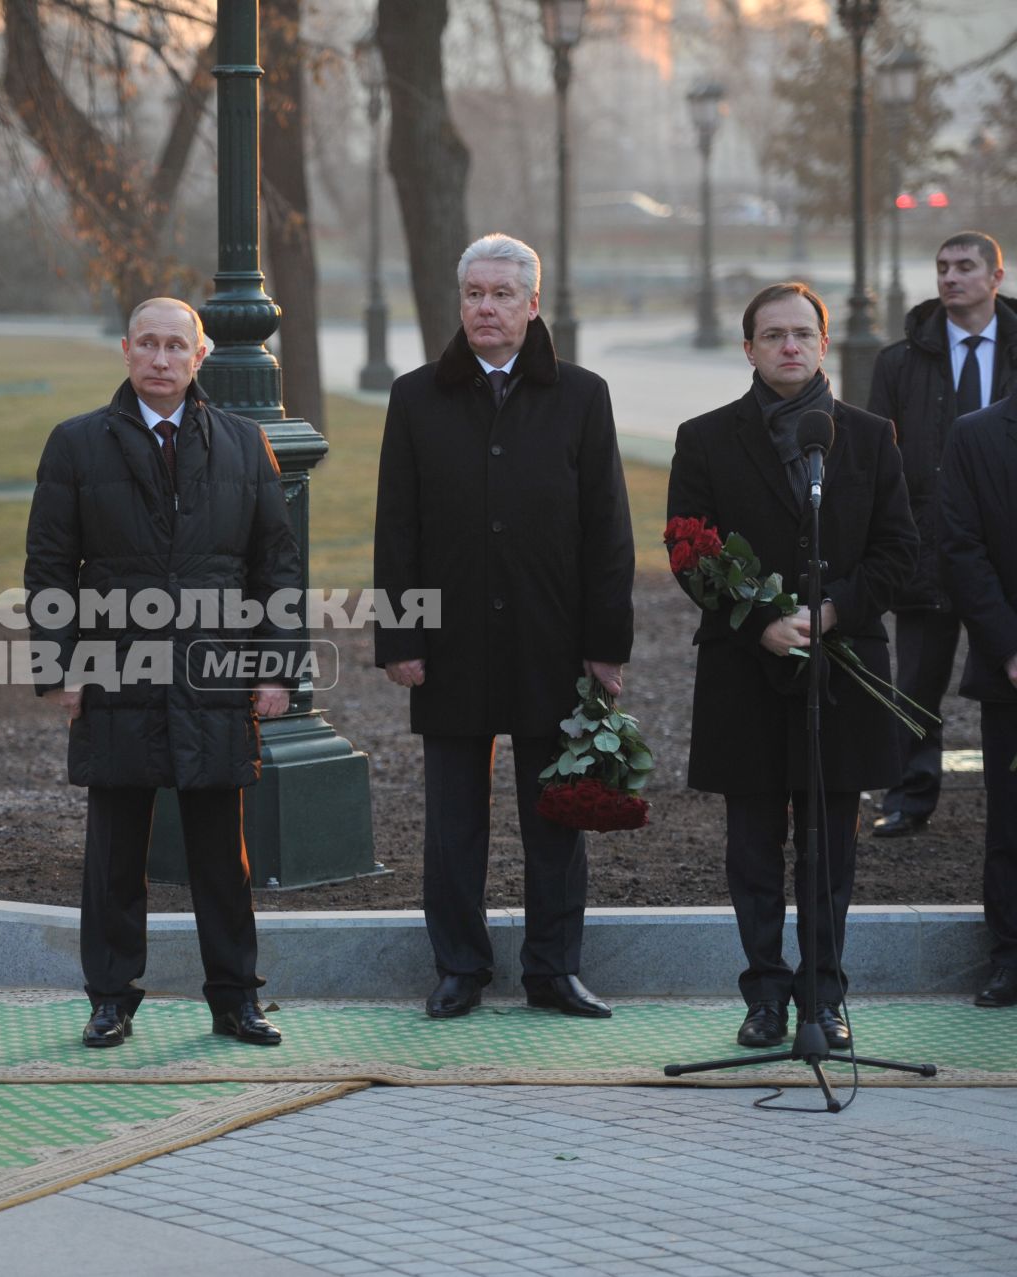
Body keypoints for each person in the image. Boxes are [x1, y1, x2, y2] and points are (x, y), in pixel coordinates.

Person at [25, 297, 302, 1049]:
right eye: (146, 343)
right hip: (114, 668)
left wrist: (277, 669)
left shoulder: (246, 446)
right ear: (124, 350)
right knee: (115, 848)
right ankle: (110, 998)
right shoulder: (77, 445)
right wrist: (59, 666)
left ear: (200, 355)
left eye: (175, 345)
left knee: (222, 852)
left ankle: (236, 999)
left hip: (216, 671)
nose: (160, 358)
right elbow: (50, 567)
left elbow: (276, 569)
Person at [372, 233, 635, 1022]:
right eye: (474, 294)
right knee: (454, 821)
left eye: (502, 295)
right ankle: (459, 968)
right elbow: (397, 527)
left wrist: (606, 645)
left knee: (558, 813)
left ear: (531, 304)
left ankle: (554, 969)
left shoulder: (583, 395)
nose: (486, 308)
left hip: (552, 642)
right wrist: (400, 637)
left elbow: (608, 527)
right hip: (448, 643)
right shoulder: (416, 396)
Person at [666, 282, 917, 1050]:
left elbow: (898, 554)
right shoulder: (705, 437)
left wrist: (832, 611)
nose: (788, 347)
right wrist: (760, 624)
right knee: (751, 848)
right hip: (746, 669)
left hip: (841, 671)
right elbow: (686, 549)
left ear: (824, 343)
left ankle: (823, 999)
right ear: (748, 349)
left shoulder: (869, 437)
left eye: (801, 333)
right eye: (771, 335)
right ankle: (765, 996)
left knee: (830, 848)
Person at [866, 232, 1015, 838]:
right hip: (925, 546)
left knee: (1009, 670)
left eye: (965, 266)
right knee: (918, 679)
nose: (951, 277)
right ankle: (909, 795)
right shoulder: (900, 361)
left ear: (995, 277)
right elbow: (879, 459)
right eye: (942, 267)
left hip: (1003, 551)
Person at [939, 392, 1017, 1008]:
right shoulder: (977, 435)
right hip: (1011, 669)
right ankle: (1011, 955)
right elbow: (962, 547)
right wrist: (1010, 648)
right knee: (1011, 823)